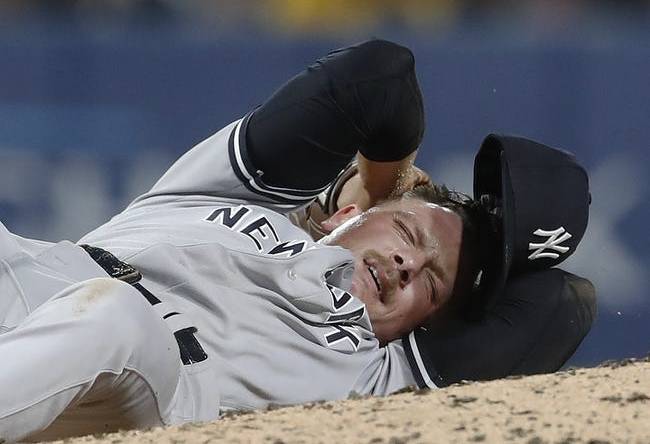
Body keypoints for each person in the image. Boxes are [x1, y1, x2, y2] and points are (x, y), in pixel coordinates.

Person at [0, 39, 595, 442]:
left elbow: (565, 305)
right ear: (350, 215)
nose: (407, 263)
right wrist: (380, 181)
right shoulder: (230, 197)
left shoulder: (376, 374)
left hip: (149, 382)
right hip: (29, 284)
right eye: (408, 233)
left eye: (433, 283)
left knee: (113, 317)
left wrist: (503, 256)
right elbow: (377, 76)